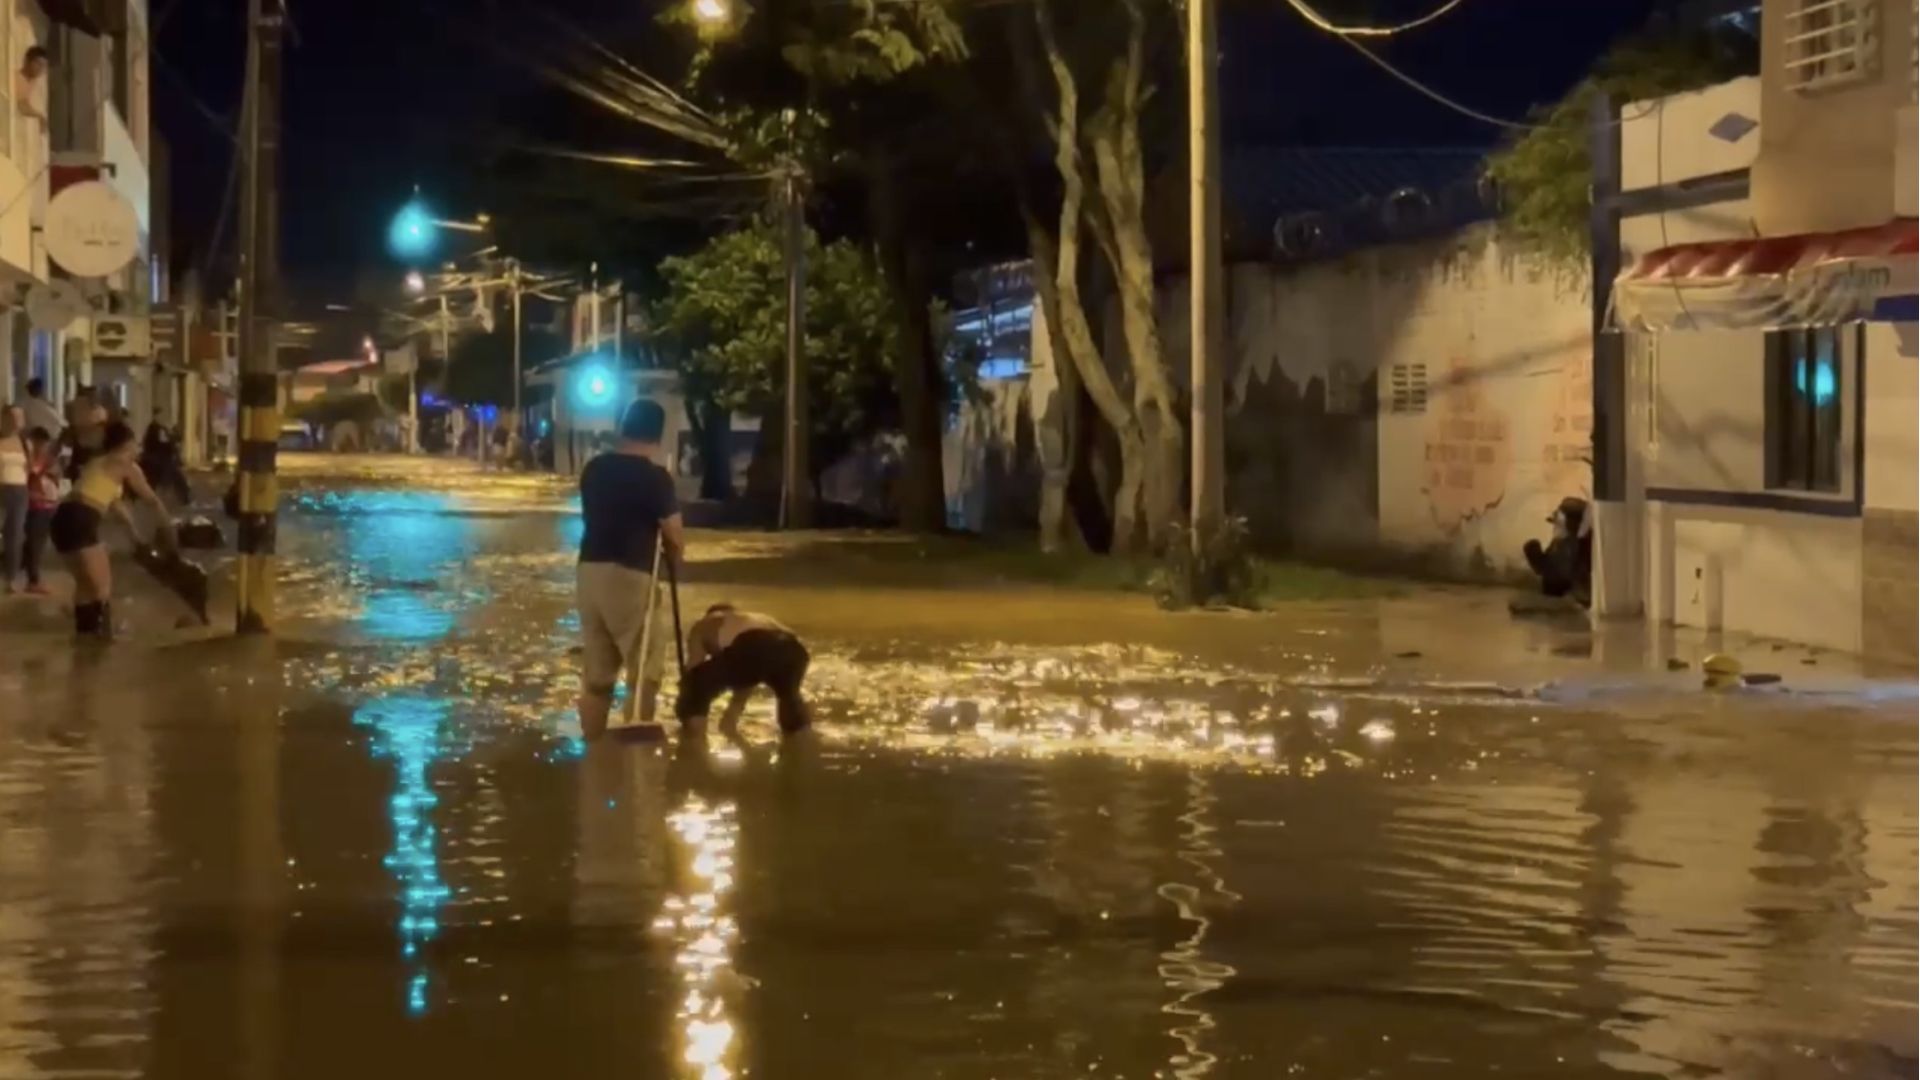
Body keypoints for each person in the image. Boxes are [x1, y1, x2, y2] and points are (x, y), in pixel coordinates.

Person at [575, 399, 684, 738]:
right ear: (659, 435)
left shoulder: (593, 469)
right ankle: (633, 758)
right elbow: (674, 535)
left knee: (597, 675)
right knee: (644, 672)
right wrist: (676, 565)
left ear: (623, 428)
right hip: (630, 575)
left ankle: (593, 755)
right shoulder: (656, 478)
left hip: (588, 573)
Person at [51, 421, 177, 638]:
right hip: (82, 518)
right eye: (135, 444)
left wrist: (135, 536)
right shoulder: (125, 464)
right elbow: (152, 500)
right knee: (102, 587)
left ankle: (84, 635)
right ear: (126, 445)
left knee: (84, 583)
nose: (138, 449)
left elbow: (118, 509)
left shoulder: (99, 464)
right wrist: (168, 528)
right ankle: (100, 639)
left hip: (61, 519)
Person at [676, 603, 814, 735]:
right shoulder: (757, 619)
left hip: (752, 643)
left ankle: (693, 742)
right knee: (790, 700)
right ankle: (801, 739)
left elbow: (693, 668)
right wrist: (730, 720)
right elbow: (746, 676)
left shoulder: (705, 623)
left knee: (695, 686)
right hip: (794, 649)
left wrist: (684, 699)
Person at [21, 427, 56, 595]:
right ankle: (33, 580)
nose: (41, 446)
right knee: (34, 544)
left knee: (39, 544)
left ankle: (32, 577)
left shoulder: (50, 461)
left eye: (43, 444)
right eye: (37, 443)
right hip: (33, 506)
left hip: (48, 505)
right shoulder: (26, 461)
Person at [0, 406, 27, 593]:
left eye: (20, 416)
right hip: (1, 488)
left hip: (20, 490)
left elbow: (30, 466)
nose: (18, 420)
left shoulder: (24, 441)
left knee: (15, 536)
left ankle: (11, 577)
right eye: (13, 417)